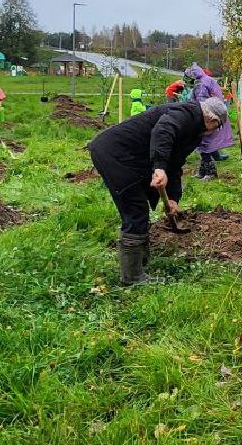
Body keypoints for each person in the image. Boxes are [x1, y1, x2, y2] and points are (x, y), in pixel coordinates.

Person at [89, 96, 227, 285]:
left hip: (132, 157)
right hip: (116, 153)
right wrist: (159, 167)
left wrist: (173, 199)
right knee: (136, 209)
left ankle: (140, 261)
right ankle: (132, 277)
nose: (212, 133)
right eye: (216, 128)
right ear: (212, 120)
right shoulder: (187, 114)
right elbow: (163, 131)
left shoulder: (193, 129)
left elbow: (176, 163)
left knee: (138, 207)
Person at [187, 64, 233, 176]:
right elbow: (194, 97)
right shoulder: (200, 82)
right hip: (203, 113)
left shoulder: (205, 81)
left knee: (205, 143)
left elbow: (202, 99)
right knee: (202, 144)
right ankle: (203, 171)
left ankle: (211, 173)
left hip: (209, 114)